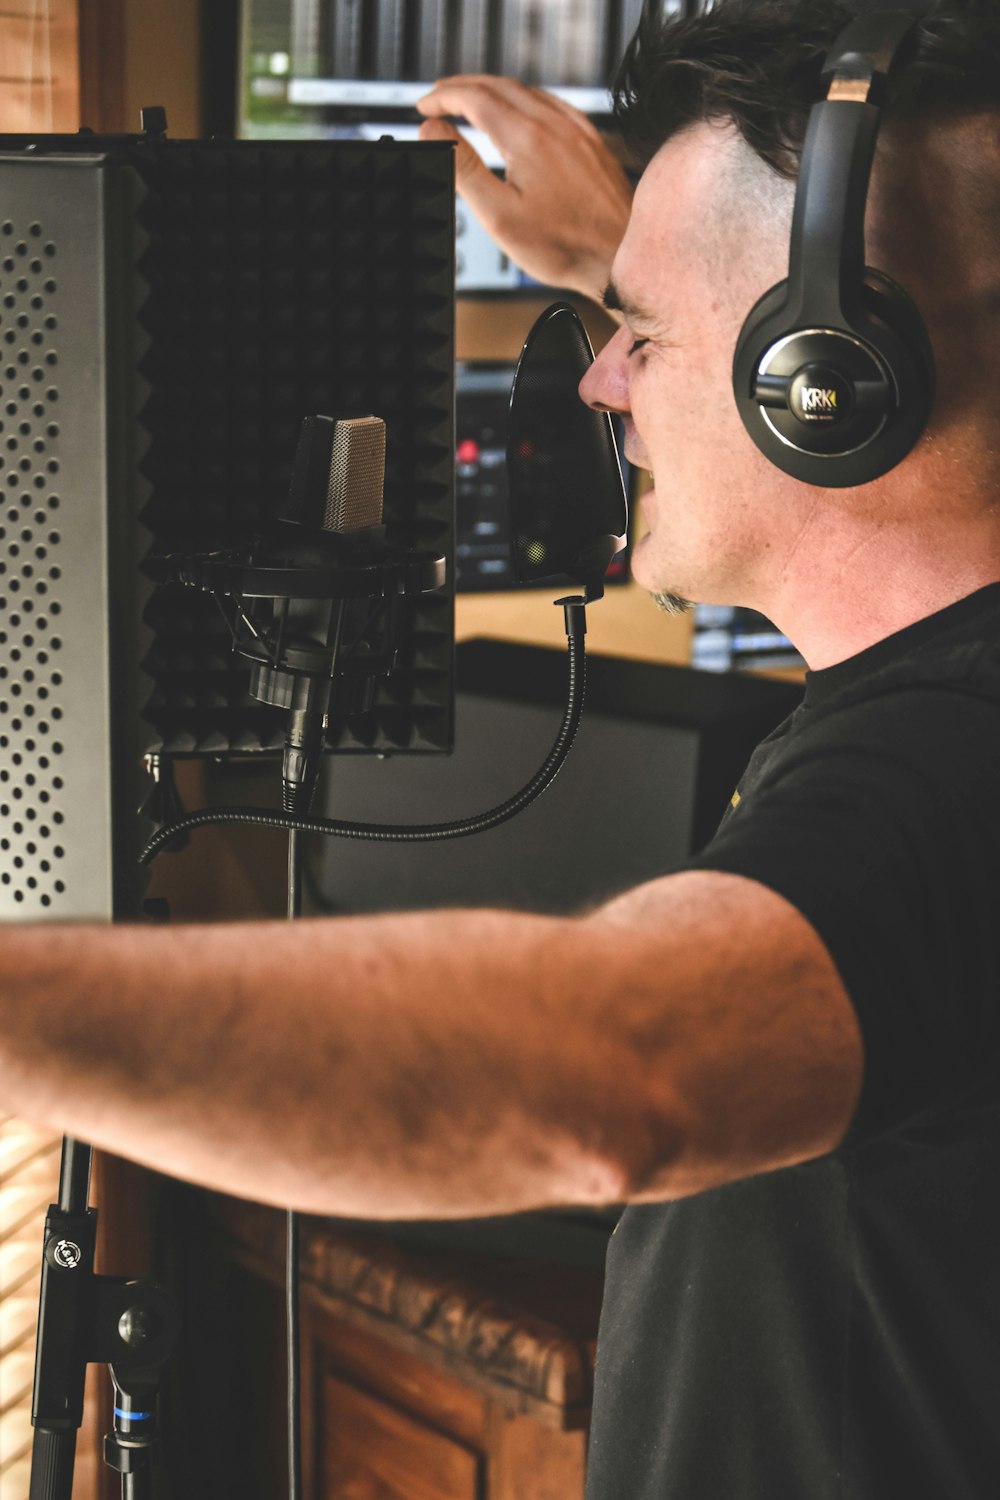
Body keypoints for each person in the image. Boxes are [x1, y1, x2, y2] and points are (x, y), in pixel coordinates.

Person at [4, 0, 1000, 1493]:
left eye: (642, 336)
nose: (603, 383)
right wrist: (649, 248)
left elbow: (615, 1069)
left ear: (825, 390)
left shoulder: (949, 764)